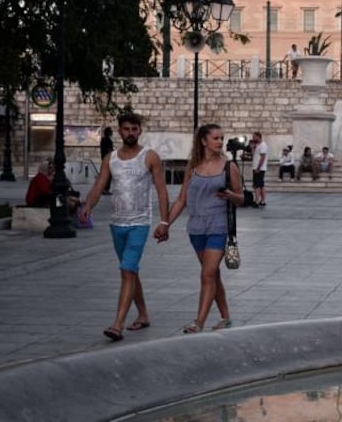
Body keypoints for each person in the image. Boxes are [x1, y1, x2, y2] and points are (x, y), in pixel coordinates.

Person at [79, 112, 171, 342]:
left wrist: (164, 221)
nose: (131, 133)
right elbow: (101, 183)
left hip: (140, 223)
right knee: (130, 270)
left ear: (140, 131)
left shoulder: (149, 157)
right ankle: (143, 314)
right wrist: (88, 204)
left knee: (127, 269)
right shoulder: (111, 159)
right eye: (126, 129)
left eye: (134, 129)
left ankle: (117, 324)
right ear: (120, 131)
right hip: (116, 224)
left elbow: (161, 189)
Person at [166, 123, 243, 333]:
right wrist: (166, 224)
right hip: (196, 227)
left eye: (222, 138)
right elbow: (182, 199)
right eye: (216, 138)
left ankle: (198, 322)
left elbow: (242, 198)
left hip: (219, 226)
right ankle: (225, 316)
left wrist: (231, 196)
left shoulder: (229, 167)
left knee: (207, 274)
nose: (220, 142)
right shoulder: (192, 167)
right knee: (213, 275)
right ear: (203, 141)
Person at [250, 132, 268, 207]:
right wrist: (252, 148)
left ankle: (257, 200)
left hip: (259, 168)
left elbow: (262, 157)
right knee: (261, 185)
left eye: (254, 137)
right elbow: (254, 155)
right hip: (256, 167)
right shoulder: (257, 145)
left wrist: (258, 168)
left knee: (257, 185)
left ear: (258, 137)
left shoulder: (263, 145)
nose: (253, 139)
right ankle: (262, 201)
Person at [100, 127, 114, 195]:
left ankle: (104, 189)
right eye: (111, 131)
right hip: (108, 159)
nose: (112, 132)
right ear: (109, 132)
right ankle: (105, 189)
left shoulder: (103, 140)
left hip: (104, 158)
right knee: (109, 175)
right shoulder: (108, 140)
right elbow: (109, 150)